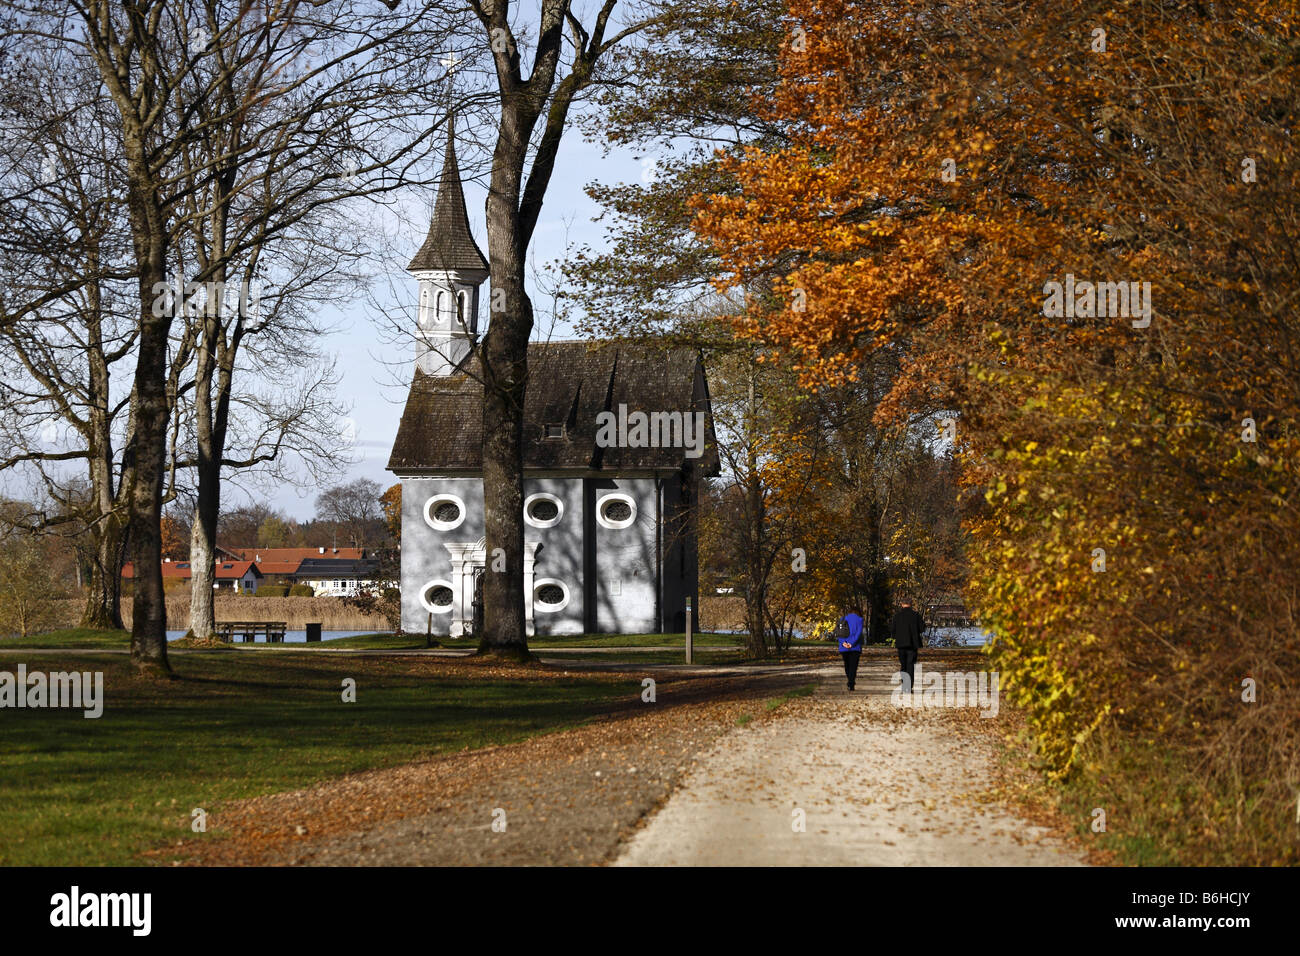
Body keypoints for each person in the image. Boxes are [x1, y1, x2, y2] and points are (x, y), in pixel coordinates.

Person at [891, 599, 925, 692]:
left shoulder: (897, 616)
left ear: (902, 604)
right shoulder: (916, 615)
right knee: (910, 665)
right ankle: (909, 687)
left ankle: (904, 684)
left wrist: (896, 637)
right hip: (912, 643)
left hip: (901, 643)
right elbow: (922, 629)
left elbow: (893, 630)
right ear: (911, 604)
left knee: (903, 665)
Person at [833, 605, 865, 690]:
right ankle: (851, 682)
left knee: (847, 665)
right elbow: (858, 633)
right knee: (853, 666)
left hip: (844, 647)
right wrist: (852, 643)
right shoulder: (860, 620)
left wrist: (843, 643)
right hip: (855, 647)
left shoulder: (842, 619)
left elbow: (838, 633)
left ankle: (850, 680)